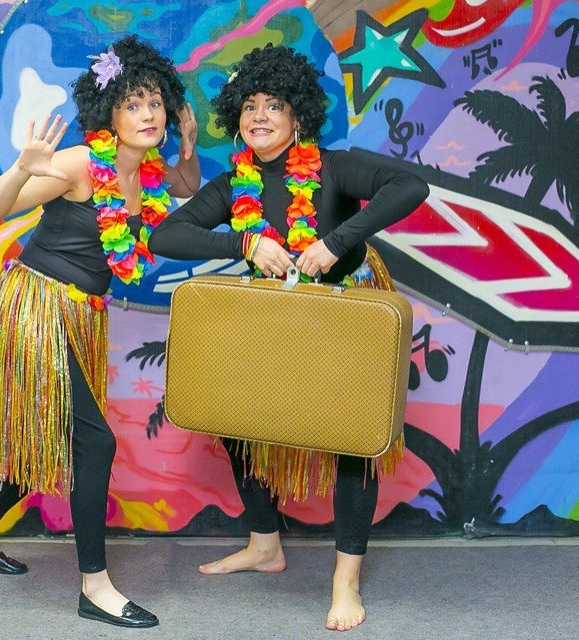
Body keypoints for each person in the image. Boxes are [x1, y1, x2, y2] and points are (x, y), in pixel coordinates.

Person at [148, 44, 428, 631]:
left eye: (274, 105)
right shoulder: (234, 184)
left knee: (353, 438)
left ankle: (346, 581)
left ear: (297, 114)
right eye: (249, 106)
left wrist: (335, 241)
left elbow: (410, 185)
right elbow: (165, 236)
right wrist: (245, 243)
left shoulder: (334, 167)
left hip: (345, 313)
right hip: (275, 318)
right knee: (237, 419)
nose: (259, 116)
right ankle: (264, 544)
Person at [0, 35, 199, 629]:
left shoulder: (149, 172)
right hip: (37, 306)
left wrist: (189, 147)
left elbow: (188, 187)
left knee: (46, 431)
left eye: (155, 103)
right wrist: (21, 167)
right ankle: (95, 588)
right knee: (95, 442)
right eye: (133, 104)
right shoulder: (82, 164)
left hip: (82, 312)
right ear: (109, 114)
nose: (148, 114)